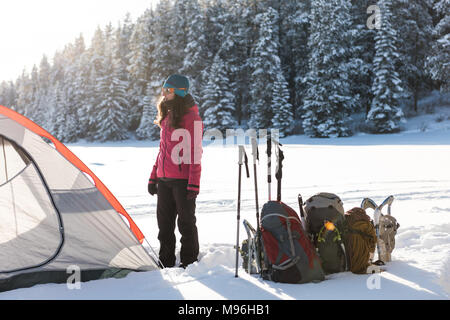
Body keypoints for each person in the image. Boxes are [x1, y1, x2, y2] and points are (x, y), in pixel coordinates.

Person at [148, 74, 203, 269]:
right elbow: (163, 150)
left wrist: (194, 182)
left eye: (167, 90)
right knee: (164, 226)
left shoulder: (191, 117)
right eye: (163, 89)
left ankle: (189, 264)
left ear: (178, 92)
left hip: (182, 181)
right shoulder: (166, 115)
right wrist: (154, 176)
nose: (163, 93)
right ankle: (166, 262)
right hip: (164, 179)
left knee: (186, 224)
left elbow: (196, 152)